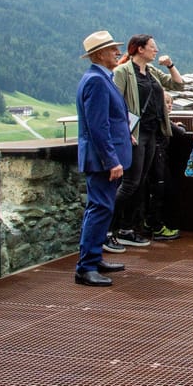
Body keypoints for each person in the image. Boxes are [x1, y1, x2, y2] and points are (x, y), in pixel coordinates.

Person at [107, 34, 185, 251]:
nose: (156, 51)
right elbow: (114, 103)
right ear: (139, 49)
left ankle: (127, 230)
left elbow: (178, 85)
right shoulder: (123, 72)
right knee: (131, 182)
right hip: (135, 134)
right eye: (152, 47)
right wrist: (124, 131)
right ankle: (107, 230)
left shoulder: (151, 72)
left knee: (140, 183)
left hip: (152, 133)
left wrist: (171, 65)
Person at [74, 30, 132, 287]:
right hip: (102, 161)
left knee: (99, 208)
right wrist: (112, 160)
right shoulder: (96, 81)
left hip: (105, 157)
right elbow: (97, 126)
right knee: (100, 209)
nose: (117, 53)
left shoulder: (99, 78)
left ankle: (94, 258)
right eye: (112, 50)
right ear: (99, 54)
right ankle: (85, 268)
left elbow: (110, 119)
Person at [144, 91, 185, 241]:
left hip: (155, 156)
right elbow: (179, 132)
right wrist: (178, 127)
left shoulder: (157, 118)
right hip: (158, 157)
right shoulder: (161, 118)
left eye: (171, 103)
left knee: (155, 190)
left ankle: (149, 222)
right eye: (167, 103)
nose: (169, 106)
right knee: (160, 190)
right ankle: (157, 226)